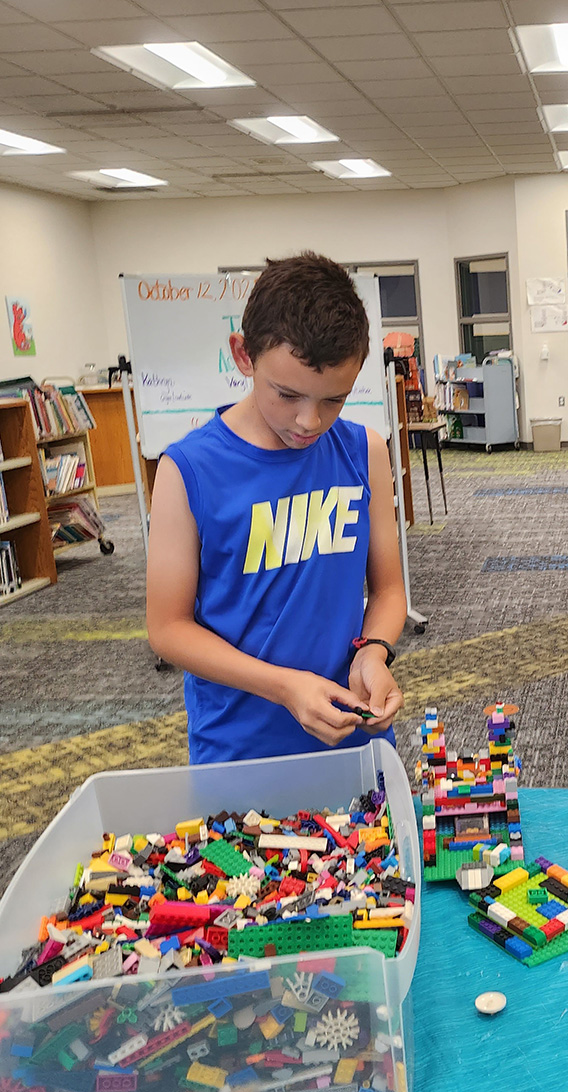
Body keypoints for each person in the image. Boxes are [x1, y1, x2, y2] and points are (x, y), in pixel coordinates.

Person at [146, 252, 407, 764]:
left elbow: (389, 589)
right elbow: (168, 628)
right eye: (287, 394)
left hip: (353, 735)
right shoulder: (187, 470)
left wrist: (372, 652)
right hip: (241, 748)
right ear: (243, 356)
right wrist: (285, 687)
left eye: (334, 399)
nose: (309, 420)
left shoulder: (364, 452)